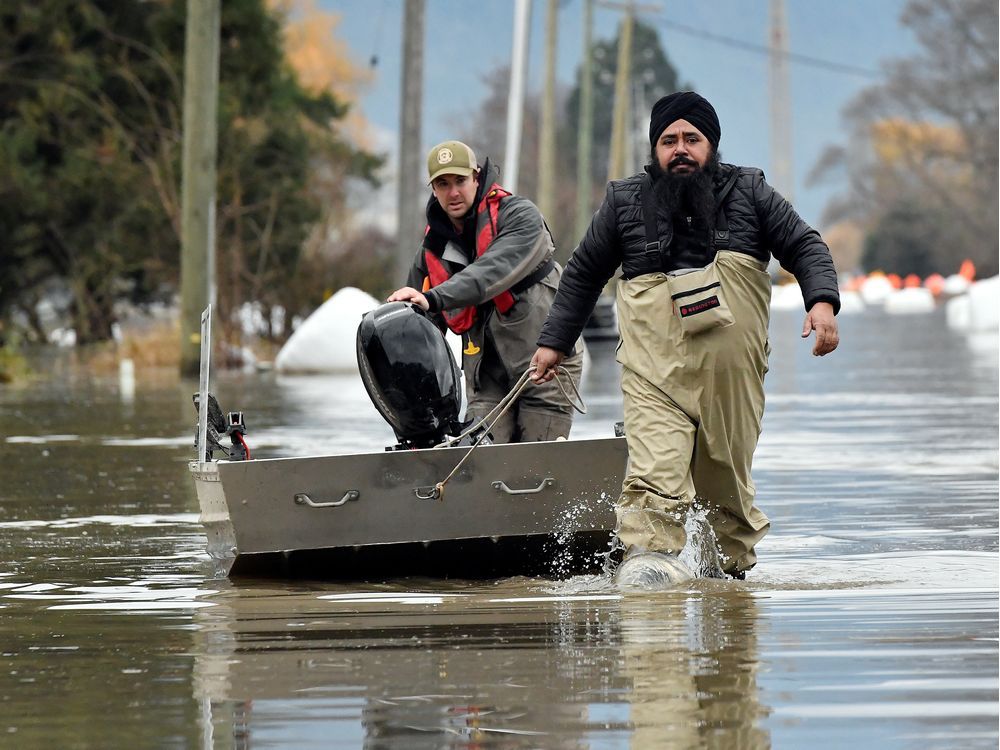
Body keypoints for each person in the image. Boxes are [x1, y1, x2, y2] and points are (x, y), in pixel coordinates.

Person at [530, 92, 840, 583]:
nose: (680, 149)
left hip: (731, 380)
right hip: (654, 375)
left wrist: (821, 303)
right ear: (654, 149)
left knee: (727, 490)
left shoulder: (751, 191)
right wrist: (554, 342)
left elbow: (804, 244)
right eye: (668, 140)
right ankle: (648, 571)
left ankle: (727, 583)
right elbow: (583, 274)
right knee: (653, 475)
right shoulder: (623, 201)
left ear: (711, 145)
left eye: (691, 139)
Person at [388, 140, 583, 443]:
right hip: (487, 379)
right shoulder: (430, 249)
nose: (453, 192)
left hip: (545, 366)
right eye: (443, 184)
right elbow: (418, 330)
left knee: (537, 470)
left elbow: (488, 273)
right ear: (434, 190)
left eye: (460, 181)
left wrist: (434, 298)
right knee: (474, 461)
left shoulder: (521, 217)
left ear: (477, 178)